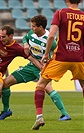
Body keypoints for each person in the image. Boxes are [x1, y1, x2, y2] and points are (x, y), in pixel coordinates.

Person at [0, 14, 71, 123]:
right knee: (5, 83)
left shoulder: (50, 40)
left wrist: (48, 64)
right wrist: (26, 44)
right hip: (30, 67)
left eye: (34, 26)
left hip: (42, 68)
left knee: (49, 89)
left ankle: (65, 114)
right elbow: (25, 37)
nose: (32, 28)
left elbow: (58, 53)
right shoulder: (31, 34)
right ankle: (6, 110)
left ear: (41, 27)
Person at [31, 0, 84, 130]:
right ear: (81, 1)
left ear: (66, 1)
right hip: (79, 58)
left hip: (61, 57)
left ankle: (39, 117)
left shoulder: (60, 13)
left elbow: (51, 36)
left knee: (41, 84)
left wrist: (46, 54)